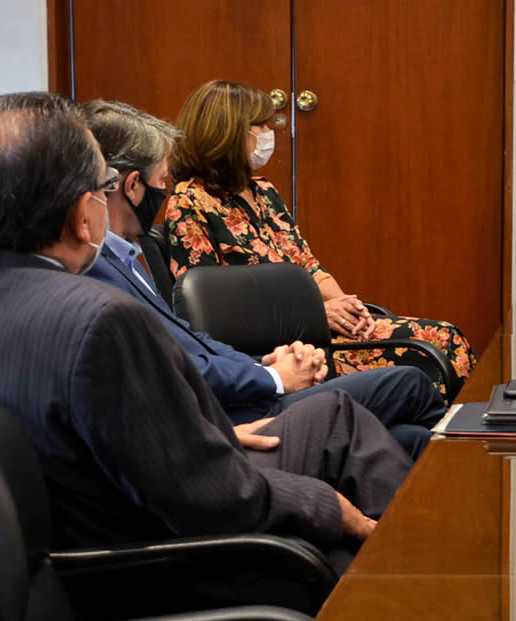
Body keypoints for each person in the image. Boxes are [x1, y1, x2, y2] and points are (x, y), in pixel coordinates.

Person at [0, 92, 408, 571]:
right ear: (80, 217)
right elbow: (214, 499)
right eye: (99, 190)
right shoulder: (96, 320)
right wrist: (330, 507)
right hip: (150, 566)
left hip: (70, 541)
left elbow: (75, 434)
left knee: (354, 426)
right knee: (339, 445)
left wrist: (213, 434)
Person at [79, 99, 445, 460]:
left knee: (408, 437)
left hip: (251, 378)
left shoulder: (124, 256)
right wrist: (275, 378)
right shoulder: (97, 269)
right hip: (230, 415)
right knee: (409, 382)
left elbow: (191, 340)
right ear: (131, 186)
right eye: (161, 181)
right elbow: (176, 365)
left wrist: (264, 365)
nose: (165, 192)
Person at [162, 80, 475, 393]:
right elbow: (212, 311)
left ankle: (456, 440)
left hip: (316, 329)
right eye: (260, 126)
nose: (269, 133)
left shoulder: (265, 191)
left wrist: (348, 308)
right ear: (227, 132)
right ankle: (450, 442)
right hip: (284, 349)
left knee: (449, 338)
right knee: (440, 346)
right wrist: (314, 315)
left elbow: (307, 264)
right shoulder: (189, 201)